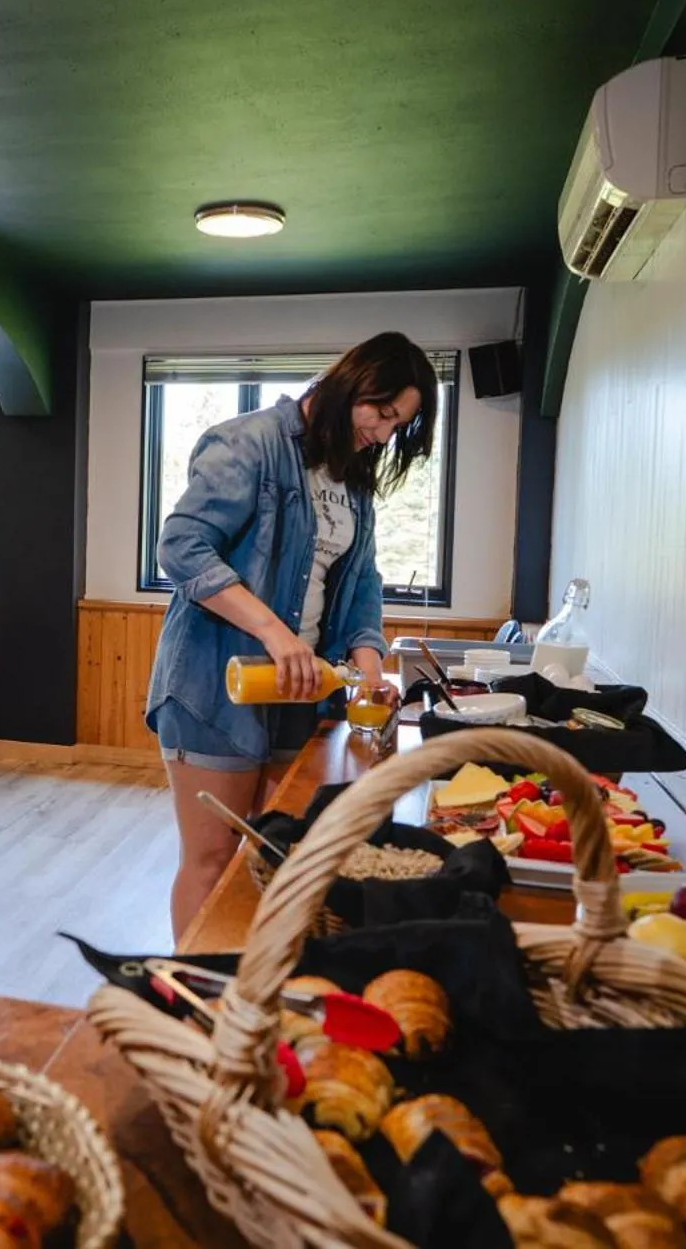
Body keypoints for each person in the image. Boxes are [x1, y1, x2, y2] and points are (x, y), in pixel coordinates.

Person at [146, 332, 438, 939]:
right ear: (349, 385)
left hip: (302, 693)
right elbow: (180, 547)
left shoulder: (353, 481)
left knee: (284, 857)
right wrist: (277, 634)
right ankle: (196, 1005)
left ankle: (259, 988)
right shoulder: (248, 443)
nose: (384, 434)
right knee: (211, 860)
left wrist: (371, 672)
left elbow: (362, 587)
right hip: (215, 688)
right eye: (381, 414)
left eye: (398, 424)